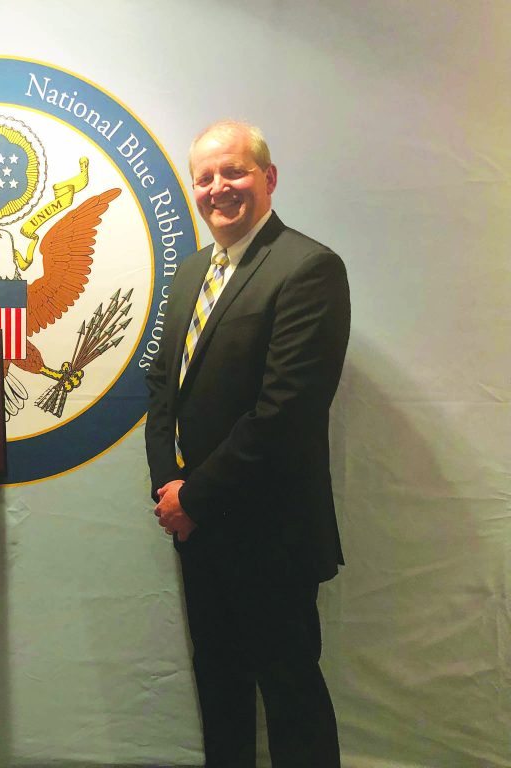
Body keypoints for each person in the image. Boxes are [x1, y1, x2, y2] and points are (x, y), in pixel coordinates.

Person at [145, 121, 350, 767]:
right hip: (196, 528)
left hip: (272, 533)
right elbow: (161, 391)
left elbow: (284, 411)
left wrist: (195, 494)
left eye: (232, 172)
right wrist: (167, 489)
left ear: (269, 178)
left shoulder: (309, 268)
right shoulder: (190, 273)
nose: (217, 189)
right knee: (219, 687)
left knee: (291, 696)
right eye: (204, 177)